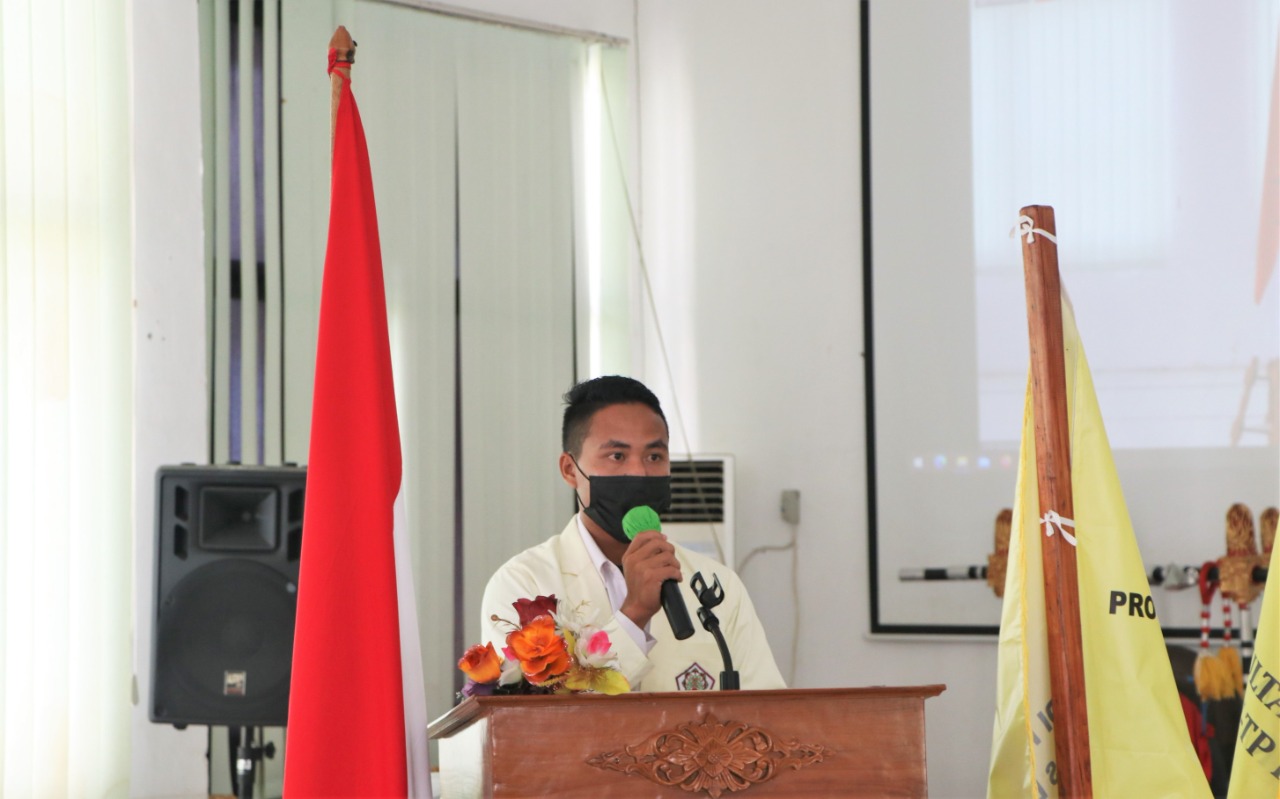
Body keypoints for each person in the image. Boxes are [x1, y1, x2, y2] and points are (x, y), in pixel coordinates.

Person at [479, 375, 786, 692]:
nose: (639, 473)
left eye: (654, 457)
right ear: (570, 470)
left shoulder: (717, 585)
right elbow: (528, 718)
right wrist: (634, 614)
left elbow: (767, 710)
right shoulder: (525, 585)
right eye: (617, 456)